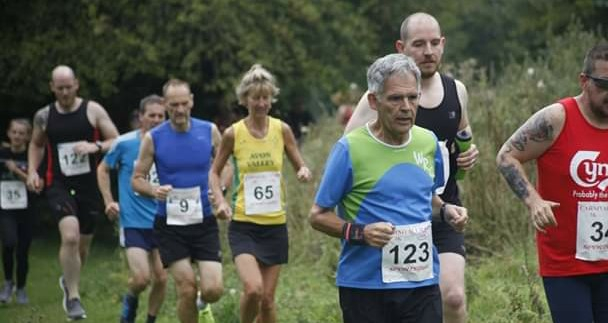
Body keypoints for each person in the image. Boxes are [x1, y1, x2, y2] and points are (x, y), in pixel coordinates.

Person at [495, 42, 608, 323]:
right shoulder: (557, 118)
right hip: (565, 265)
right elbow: (507, 156)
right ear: (584, 81)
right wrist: (534, 201)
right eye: (605, 84)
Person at [310, 53, 468, 323]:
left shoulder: (427, 142)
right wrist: (361, 232)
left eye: (412, 97)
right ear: (374, 101)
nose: (406, 107)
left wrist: (448, 212)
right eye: (395, 98)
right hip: (366, 286)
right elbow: (317, 215)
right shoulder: (349, 149)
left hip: (421, 282)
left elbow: (427, 199)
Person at [344, 12, 478, 322]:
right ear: (401, 47)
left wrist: (468, 158)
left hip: (442, 207)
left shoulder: (456, 90)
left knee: (454, 297)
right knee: (399, 304)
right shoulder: (378, 99)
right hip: (396, 215)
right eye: (419, 44)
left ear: (443, 44)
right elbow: (349, 152)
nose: (428, 51)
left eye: (434, 43)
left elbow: (462, 140)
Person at [210, 64, 312, 323]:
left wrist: (303, 172)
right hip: (244, 225)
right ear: (245, 100)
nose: (261, 103)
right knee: (253, 289)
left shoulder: (282, 130)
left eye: (266, 97)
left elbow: (300, 164)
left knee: (267, 301)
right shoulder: (233, 134)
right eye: (256, 97)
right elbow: (214, 172)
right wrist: (220, 201)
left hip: (275, 226)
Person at [26, 65, 119, 320]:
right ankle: (74, 298)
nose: (65, 92)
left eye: (69, 87)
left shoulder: (93, 110)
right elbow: (36, 144)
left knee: (82, 248)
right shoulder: (44, 116)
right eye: (60, 88)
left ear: (76, 84)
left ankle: (68, 280)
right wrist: (33, 171)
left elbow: (116, 140)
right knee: (70, 236)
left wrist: (94, 146)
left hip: (90, 186)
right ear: (52, 88)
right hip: (59, 185)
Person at [132, 79, 223, 323]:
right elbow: (137, 179)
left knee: (213, 289)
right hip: (170, 224)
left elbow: (225, 165)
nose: (180, 110)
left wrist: (219, 189)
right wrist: (154, 190)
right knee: (186, 287)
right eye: (174, 105)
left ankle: (203, 303)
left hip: (203, 220)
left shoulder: (209, 131)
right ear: (165, 104)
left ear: (192, 100)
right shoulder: (153, 138)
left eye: (184, 103)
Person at [97, 95, 168, 323]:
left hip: (162, 220)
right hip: (133, 221)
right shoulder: (125, 143)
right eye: (151, 115)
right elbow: (103, 170)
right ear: (141, 117)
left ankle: (150, 319)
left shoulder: (171, 143)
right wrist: (109, 200)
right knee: (141, 278)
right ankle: (129, 306)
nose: (156, 120)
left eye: (160, 115)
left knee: (162, 278)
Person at [0, 119, 36, 305]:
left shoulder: (32, 156)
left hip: (26, 209)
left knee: (22, 251)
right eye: (14, 132)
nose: (17, 136)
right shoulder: (2, 153)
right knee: (9, 242)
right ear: (8, 133)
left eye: (22, 133)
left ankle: (21, 288)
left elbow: (36, 186)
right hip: (5, 208)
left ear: (28, 137)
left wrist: (17, 171)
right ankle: (8, 283)